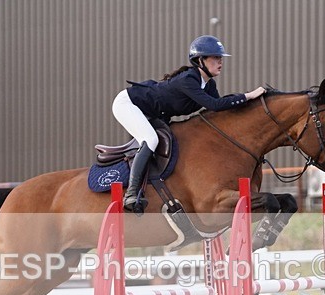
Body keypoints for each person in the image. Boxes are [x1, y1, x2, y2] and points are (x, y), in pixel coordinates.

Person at [112, 35, 266, 211]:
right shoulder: (188, 79)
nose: (220, 62)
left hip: (154, 112)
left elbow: (218, 112)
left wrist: (250, 105)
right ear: (200, 60)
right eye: (215, 57)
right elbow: (214, 105)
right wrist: (248, 96)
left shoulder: (209, 85)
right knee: (151, 139)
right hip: (128, 104)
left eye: (220, 58)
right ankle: (131, 195)